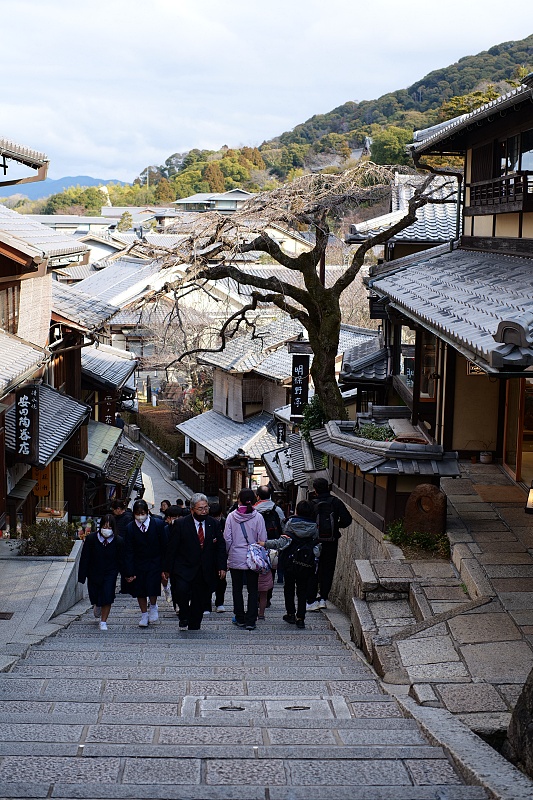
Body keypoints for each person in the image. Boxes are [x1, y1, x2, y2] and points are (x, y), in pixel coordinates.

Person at [163, 493, 226, 631]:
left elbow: (220, 546)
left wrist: (222, 566)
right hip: (183, 567)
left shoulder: (213, 524)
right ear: (192, 509)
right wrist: (167, 569)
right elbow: (172, 548)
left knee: (200, 597)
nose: (204, 511)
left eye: (206, 508)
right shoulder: (180, 524)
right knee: (181, 591)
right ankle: (184, 614)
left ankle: (195, 623)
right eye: (200, 509)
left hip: (205, 568)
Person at [263, 500, 320, 629]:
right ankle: (301, 617)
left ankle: (290, 613)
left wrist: (265, 544)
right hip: (306, 563)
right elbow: (316, 547)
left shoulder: (290, 524)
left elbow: (282, 542)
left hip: (290, 561)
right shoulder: (314, 527)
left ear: (297, 511)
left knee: (289, 588)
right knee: (302, 590)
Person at [223, 488, 267, 631]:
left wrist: (229, 554)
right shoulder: (258, 517)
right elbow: (263, 539)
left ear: (239, 500)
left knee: (237, 589)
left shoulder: (231, 517)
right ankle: (251, 620)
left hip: (236, 555)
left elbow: (227, 539)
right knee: (253, 589)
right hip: (253, 558)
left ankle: (240, 617)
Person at [306, 478, 352, 612]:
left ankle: (311, 599)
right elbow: (347, 520)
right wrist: (336, 526)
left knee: (313, 569)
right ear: (328, 487)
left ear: (315, 489)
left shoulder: (311, 504)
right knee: (328, 569)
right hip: (331, 541)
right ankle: (323, 599)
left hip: (315, 542)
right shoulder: (336, 502)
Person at [122, 499, 168, 627]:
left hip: (155, 561)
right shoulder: (130, 528)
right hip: (138, 562)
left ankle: (153, 606)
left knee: (152, 586)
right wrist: (129, 570)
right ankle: (144, 614)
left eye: (142, 512)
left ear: (147, 512)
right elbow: (128, 550)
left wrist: (165, 567)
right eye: (137, 513)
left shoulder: (158, 524)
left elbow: (164, 546)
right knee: (140, 589)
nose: (140, 516)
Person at [78, 514, 124, 631]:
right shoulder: (92, 539)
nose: (107, 530)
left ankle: (103, 621)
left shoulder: (118, 541)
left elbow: (122, 559)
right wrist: (82, 575)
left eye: (109, 528)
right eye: (105, 527)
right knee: (95, 595)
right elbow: (85, 557)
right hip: (94, 572)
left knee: (108, 595)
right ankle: (97, 604)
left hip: (110, 572)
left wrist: (127, 574)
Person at [255, 485, 285, 600]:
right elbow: (282, 525)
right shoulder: (276, 509)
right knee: (271, 571)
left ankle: (258, 595)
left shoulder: (253, 510)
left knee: (257, 569)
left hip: (258, 544)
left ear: (257, 496)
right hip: (273, 544)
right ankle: (267, 597)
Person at [209, 502, 227, 612]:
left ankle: (220, 602)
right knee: (207, 579)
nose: (215, 518)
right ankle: (207, 601)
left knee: (221, 579)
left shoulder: (225, 523)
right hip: (208, 555)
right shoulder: (207, 522)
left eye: (217, 516)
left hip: (221, 554)